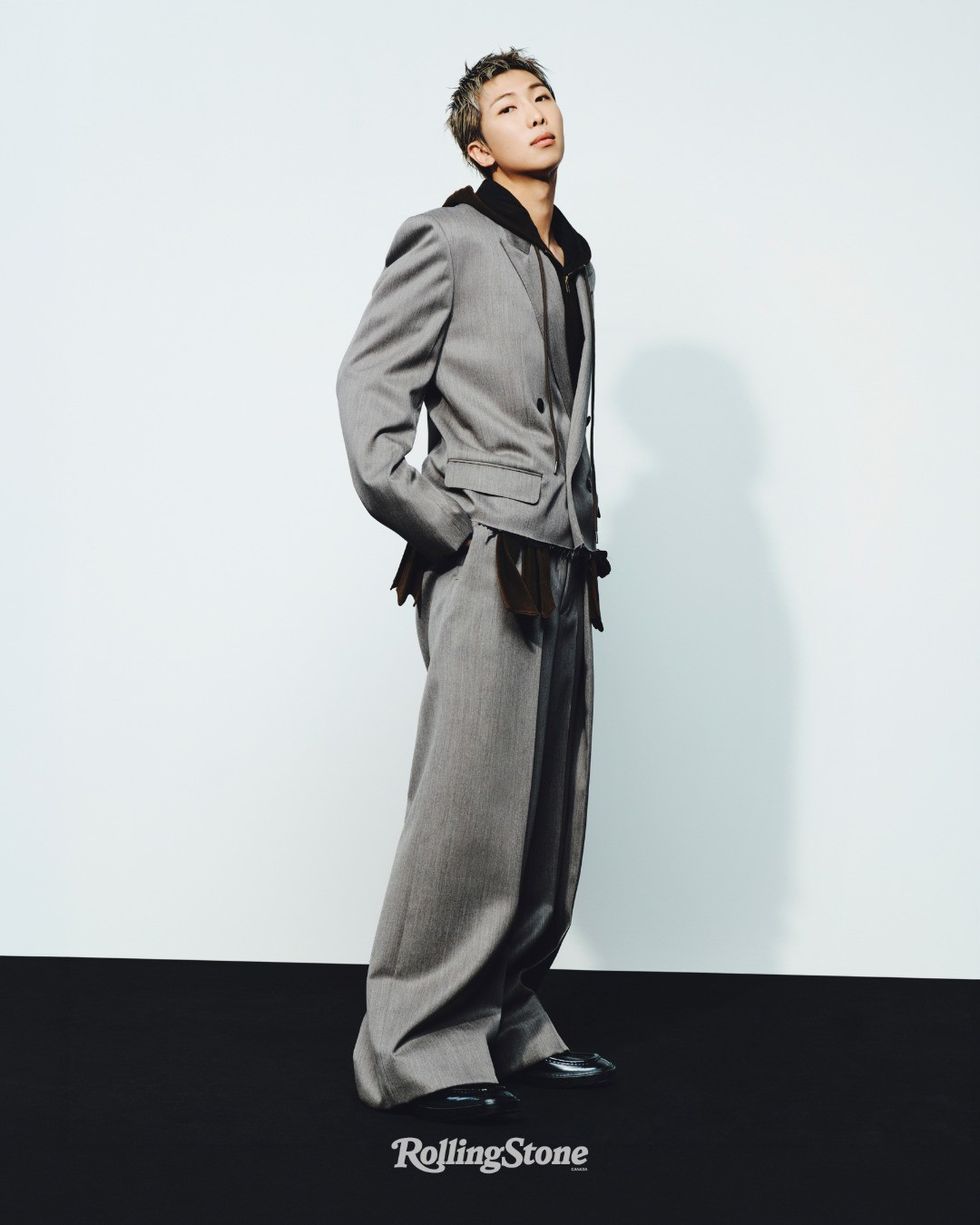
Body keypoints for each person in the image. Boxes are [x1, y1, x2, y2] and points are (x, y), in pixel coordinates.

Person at [336, 46, 615, 1121]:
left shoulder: (572, 257)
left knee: (545, 812)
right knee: (468, 809)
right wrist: (445, 523)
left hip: (564, 560)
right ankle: (414, 1045)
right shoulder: (445, 240)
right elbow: (369, 395)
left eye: (541, 96)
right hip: (488, 559)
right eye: (507, 106)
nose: (535, 112)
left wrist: (579, 525)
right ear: (476, 145)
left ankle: (504, 1023)